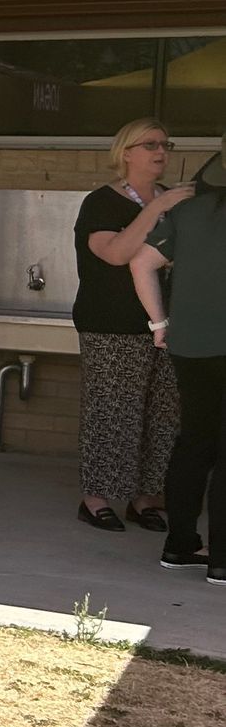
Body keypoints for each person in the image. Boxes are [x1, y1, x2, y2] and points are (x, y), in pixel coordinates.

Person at [74, 119, 187, 532]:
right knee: (113, 411)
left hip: (169, 324)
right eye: (150, 144)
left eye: (165, 145)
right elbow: (117, 254)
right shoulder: (102, 202)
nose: (160, 152)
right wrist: (155, 208)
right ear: (126, 153)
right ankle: (96, 498)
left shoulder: (173, 201)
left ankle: (145, 499)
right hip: (112, 323)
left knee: (163, 414)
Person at [134, 148, 226, 579]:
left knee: (195, 442)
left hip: (189, 345)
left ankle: (180, 544)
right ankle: (221, 561)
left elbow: (141, 263)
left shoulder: (187, 210)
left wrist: (159, 323)